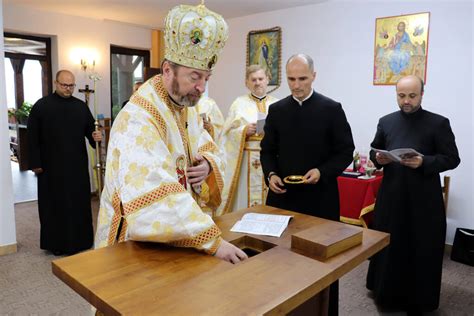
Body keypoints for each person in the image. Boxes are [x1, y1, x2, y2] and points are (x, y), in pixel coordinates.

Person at [94, 3, 247, 264]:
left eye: (206, 78)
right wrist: (212, 240)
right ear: (167, 70)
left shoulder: (186, 108)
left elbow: (209, 147)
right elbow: (154, 190)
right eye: (194, 77)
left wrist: (208, 166)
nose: (201, 87)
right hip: (135, 243)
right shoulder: (138, 118)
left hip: (184, 234)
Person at [260, 54, 355, 316]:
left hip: (320, 198)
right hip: (283, 198)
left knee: (320, 262)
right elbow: (267, 151)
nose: (296, 85)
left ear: (314, 76)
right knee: (279, 260)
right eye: (291, 79)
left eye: (302, 78)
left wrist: (322, 171)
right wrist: (271, 175)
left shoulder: (331, 108)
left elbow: (345, 151)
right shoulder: (277, 110)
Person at [366, 75, 460, 314]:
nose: (406, 101)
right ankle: (386, 295)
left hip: (424, 200)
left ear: (421, 94)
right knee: (390, 246)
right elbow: (374, 151)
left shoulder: (438, 123)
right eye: (401, 96)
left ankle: (419, 301)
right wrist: (378, 158)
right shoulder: (386, 122)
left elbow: (452, 158)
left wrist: (424, 161)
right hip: (391, 197)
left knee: (421, 249)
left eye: (411, 96)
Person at [27, 69, 102, 256]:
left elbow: (91, 133)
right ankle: (56, 244)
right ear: (55, 83)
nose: (68, 89)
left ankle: (81, 242)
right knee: (54, 205)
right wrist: (35, 163)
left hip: (76, 166)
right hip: (50, 168)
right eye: (64, 85)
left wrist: (97, 136)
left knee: (78, 203)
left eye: (71, 85)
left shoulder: (81, 107)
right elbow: (32, 138)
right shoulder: (41, 106)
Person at [216, 64, 279, 216]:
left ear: (267, 80)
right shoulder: (239, 104)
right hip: (245, 160)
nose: (257, 82)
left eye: (261, 79)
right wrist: (243, 131)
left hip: (271, 159)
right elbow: (226, 134)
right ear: (247, 83)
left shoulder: (277, 104)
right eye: (253, 80)